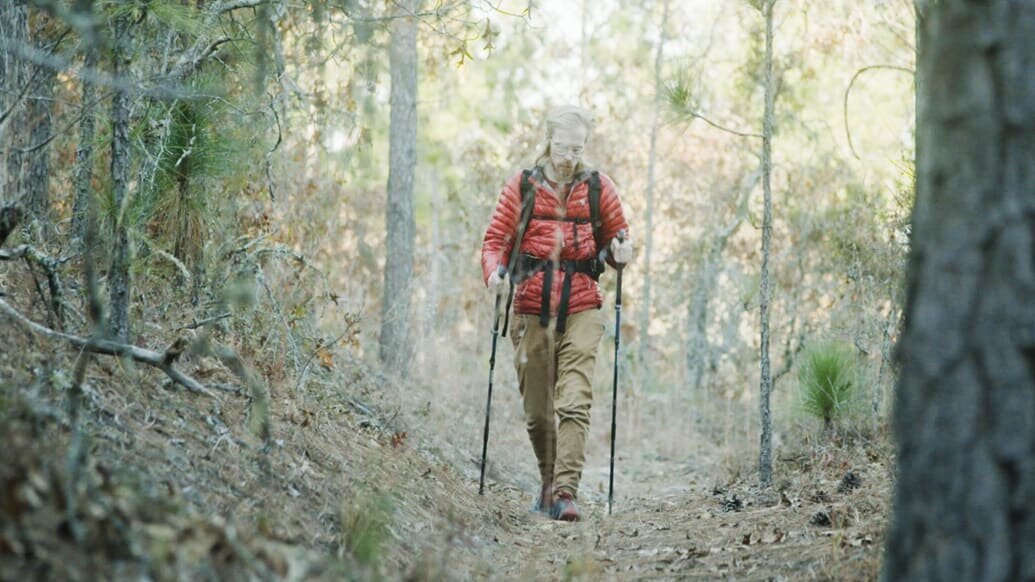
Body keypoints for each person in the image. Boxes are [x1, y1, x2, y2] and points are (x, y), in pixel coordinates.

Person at [481, 105, 632, 521]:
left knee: (575, 400)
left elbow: (617, 241)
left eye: (577, 148)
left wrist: (621, 253)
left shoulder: (599, 187)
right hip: (531, 307)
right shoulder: (523, 185)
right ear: (549, 141)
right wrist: (494, 274)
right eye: (563, 147)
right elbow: (495, 240)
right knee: (537, 413)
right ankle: (548, 483)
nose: (569, 156)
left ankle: (566, 493)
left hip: (583, 305)